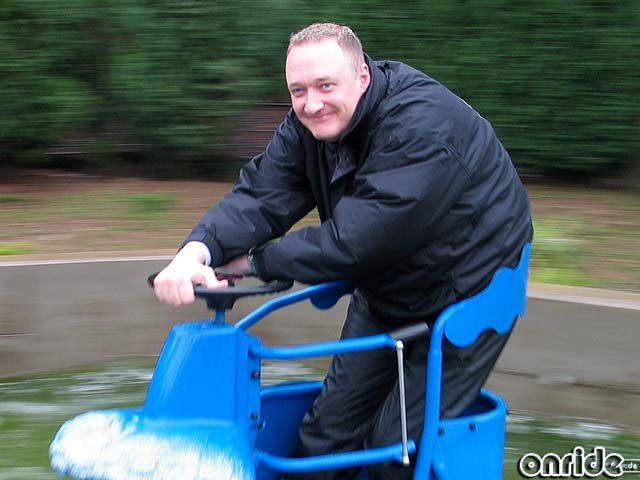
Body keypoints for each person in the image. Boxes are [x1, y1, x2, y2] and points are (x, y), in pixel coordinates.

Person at [154, 22, 532, 480]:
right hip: (390, 284)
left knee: (396, 450)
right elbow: (261, 194)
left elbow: (359, 238)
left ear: (363, 76)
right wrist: (198, 251)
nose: (311, 103)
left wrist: (256, 262)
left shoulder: (423, 125)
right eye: (298, 90)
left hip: (471, 290)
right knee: (324, 437)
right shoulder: (309, 125)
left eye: (325, 86)